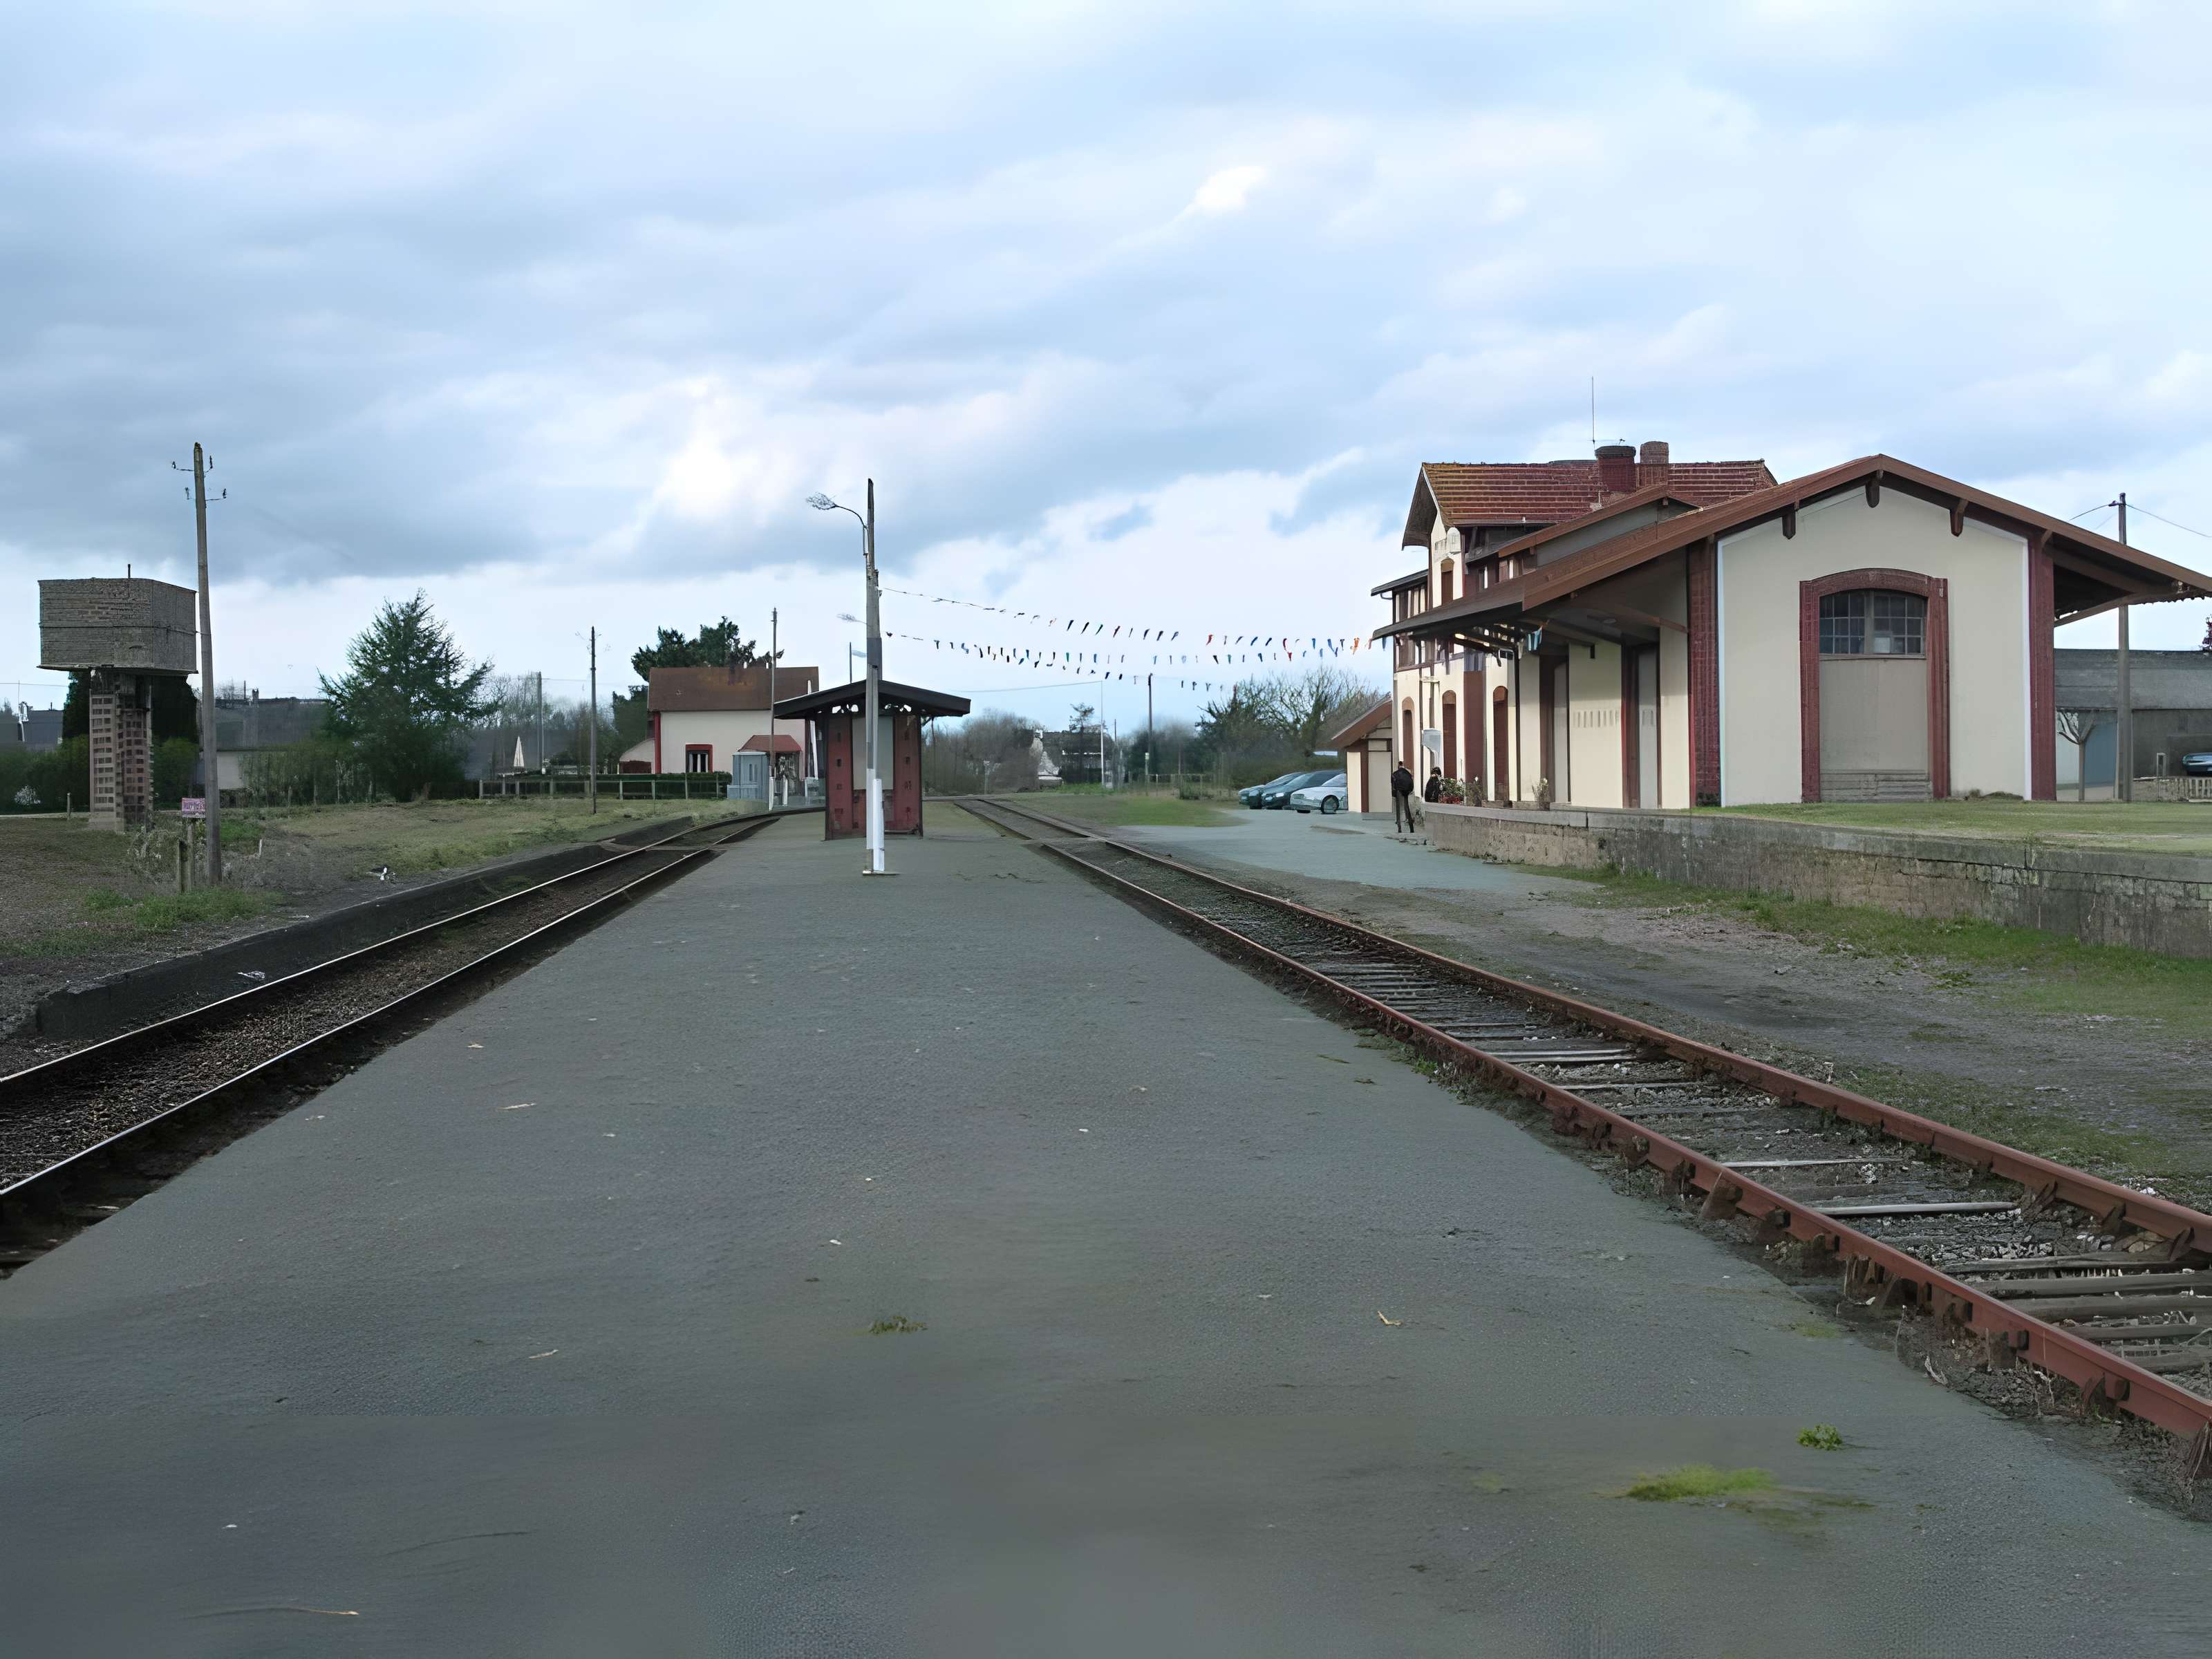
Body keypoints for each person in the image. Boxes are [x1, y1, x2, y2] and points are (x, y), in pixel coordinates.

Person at [1389, 759, 1416, 834]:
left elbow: (1393, 785)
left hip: (1399, 792)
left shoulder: (1395, 774)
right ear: (1403, 765)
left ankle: (1400, 827)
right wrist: (1410, 791)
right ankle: (1411, 828)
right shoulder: (1408, 773)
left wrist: (1394, 795)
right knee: (1407, 809)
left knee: (1398, 809)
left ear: (1398, 766)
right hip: (1406, 792)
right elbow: (1411, 783)